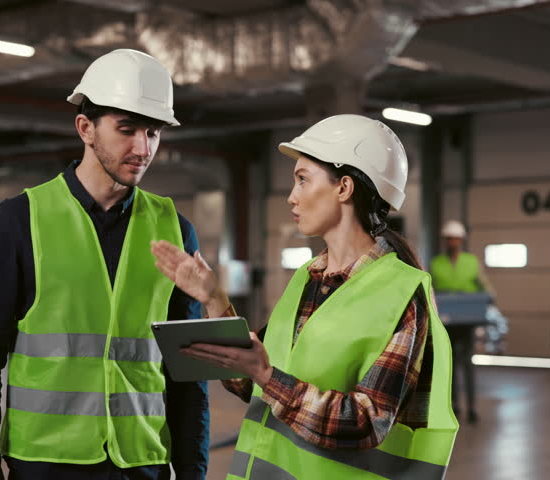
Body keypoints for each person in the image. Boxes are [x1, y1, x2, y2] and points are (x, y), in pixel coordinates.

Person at [151, 114, 458, 479]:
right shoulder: (307, 278)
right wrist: (214, 298)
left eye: (302, 180)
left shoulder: (402, 293)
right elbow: (248, 382)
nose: (291, 197)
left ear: (344, 188)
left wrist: (266, 375)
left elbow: (366, 422)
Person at [0, 49, 209, 480]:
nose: (142, 148)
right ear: (85, 128)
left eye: (153, 132)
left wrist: (191, 474)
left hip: (141, 465)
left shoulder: (175, 229)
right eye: (126, 130)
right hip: (46, 465)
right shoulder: (20, 219)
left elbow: (189, 375)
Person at [431, 220, 494, 424]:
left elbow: (484, 285)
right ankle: (454, 405)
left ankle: (472, 406)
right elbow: (431, 288)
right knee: (450, 364)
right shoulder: (436, 263)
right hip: (447, 322)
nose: (453, 242)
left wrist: (489, 298)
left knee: (467, 363)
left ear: (461, 240)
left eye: (456, 238)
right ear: (445, 241)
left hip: (467, 321)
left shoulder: (471, 262)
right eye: (449, 239)